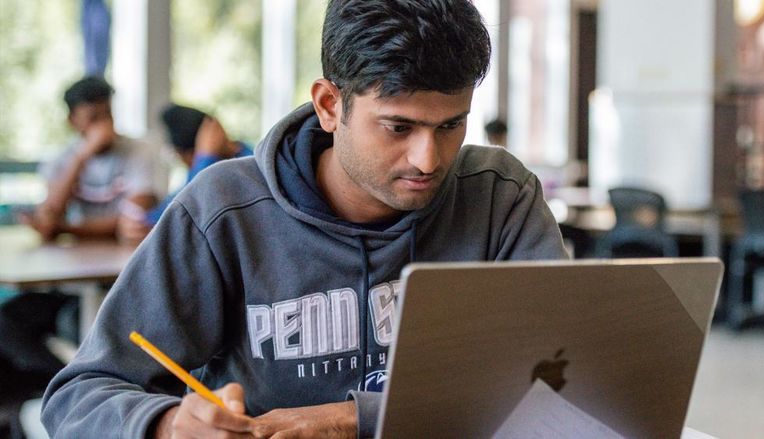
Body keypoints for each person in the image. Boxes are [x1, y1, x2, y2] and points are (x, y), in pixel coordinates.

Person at [41, 1, 567, 438]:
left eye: (452, 125)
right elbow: (77, 397)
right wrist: (166, 424)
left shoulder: (499, 196)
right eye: (398, 127)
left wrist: (352, 419)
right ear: (329, 105)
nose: (428, 159)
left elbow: (561, 378)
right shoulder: (224, 210)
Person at [23, 76, 168, 241]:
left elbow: (133, 222)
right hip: (78, 257)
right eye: (93, 118)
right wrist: (82, 158)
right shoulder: (60, 159)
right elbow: (50, 214)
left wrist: (63, 228)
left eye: (108, 115)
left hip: (123, 254)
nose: (104, 125)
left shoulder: (140, 150)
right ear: (72, 121)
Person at [117, 104, 253, 242]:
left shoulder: (246, 167)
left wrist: (205, 158)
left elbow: (180, 213)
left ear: (186, 154)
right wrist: (135, 224)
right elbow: (157, 217)